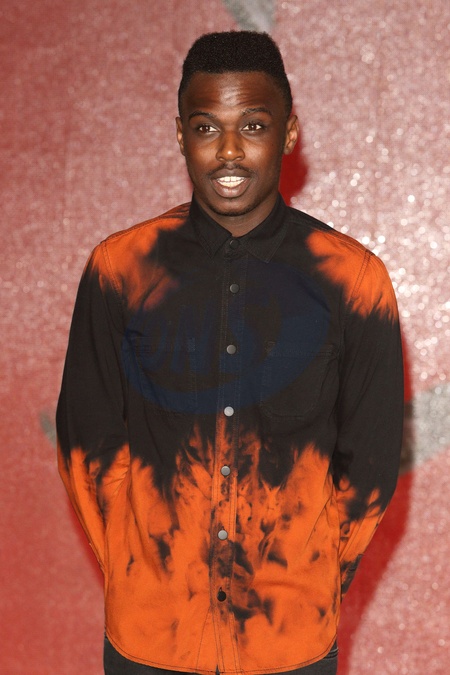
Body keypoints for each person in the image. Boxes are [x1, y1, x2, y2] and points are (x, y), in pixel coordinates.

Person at [57, 31, 404, 675]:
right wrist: (142, 569)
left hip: (290, 645)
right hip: (149, 642)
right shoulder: (119, 271)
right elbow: (89, 448)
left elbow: (372, 464)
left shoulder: (354, 282)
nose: (229, 151)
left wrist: (308, 576)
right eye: (206, 128)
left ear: (289, 133)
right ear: (180, 136)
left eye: (253, 125)